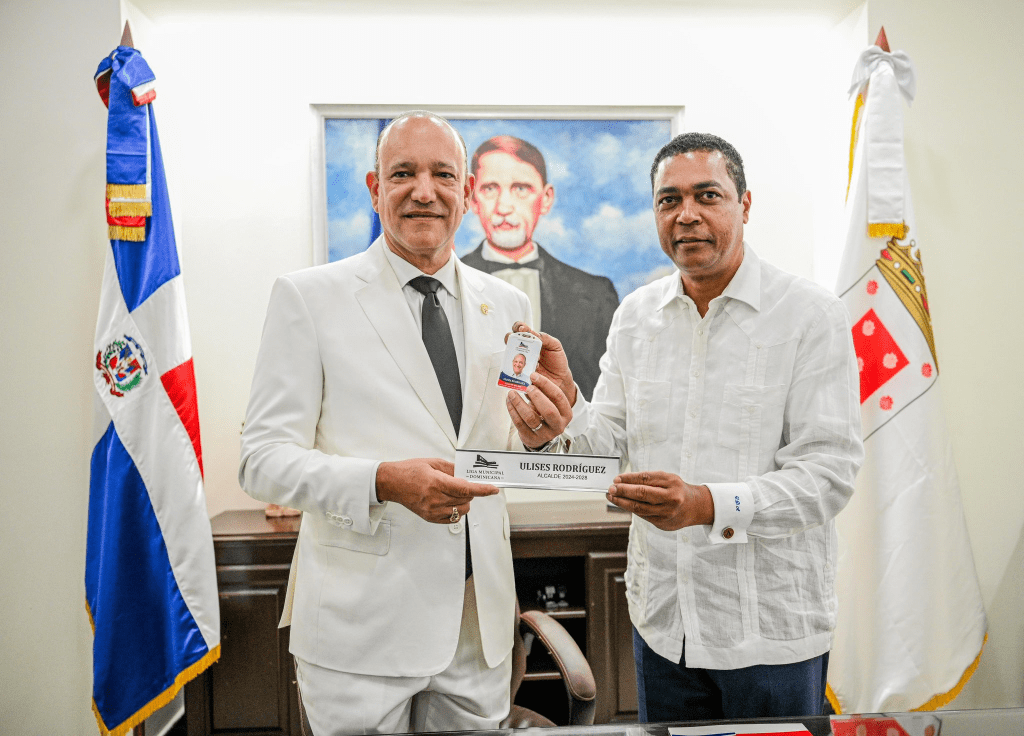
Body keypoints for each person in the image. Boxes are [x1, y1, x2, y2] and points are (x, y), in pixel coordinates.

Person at [506, 133, 864, 721]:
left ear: (745, 205)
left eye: (707, 195)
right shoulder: (635, 316)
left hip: (768, 634)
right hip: (662, 628)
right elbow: (605, 446)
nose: (687, 214)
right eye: (668, 200)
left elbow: (828, 476)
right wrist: (561, 414)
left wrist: (705, 504)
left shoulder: (809, 315)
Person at [240, 112, 540, 734]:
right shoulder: (308, 297)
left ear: (466, 192)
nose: (424, 191)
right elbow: (261, 460)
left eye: (443, 175)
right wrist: (381, 481)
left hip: (477, 627)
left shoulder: (509, 304)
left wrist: (540, 437)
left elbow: (509, 444)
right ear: (375, 188)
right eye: (403, 173)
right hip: (360, 632)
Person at [460, 135, 619, 401]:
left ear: (546, 199)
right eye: (490, 189)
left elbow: (608, 401)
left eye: (521, 188)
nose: (503, 207)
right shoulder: (443, 286)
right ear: (473, 198)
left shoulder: (596, 295)